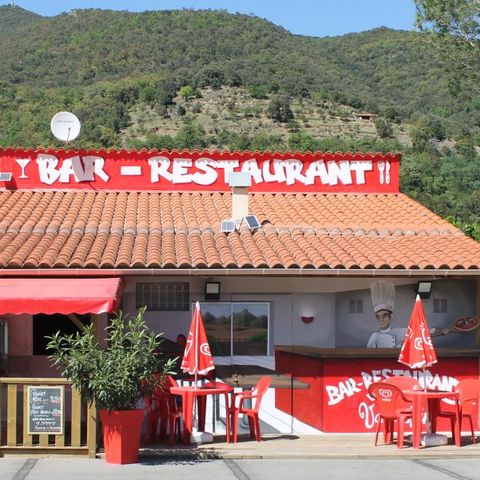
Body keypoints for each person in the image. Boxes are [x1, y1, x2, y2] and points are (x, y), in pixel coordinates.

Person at [367, 281, 450, 348]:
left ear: (391, 316)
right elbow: (369, 355)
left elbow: (420, 332)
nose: (381, 319)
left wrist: (440, 331)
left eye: (385, 316)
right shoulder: (374, 337)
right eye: (378, 317)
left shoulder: (401, 332)